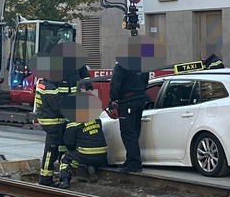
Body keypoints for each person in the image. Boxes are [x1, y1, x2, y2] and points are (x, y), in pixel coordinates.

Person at [32, 43, 89, 186]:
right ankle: (46, 179)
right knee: (52, 148)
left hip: (66, 111)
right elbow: (52, 98)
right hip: (57, 114)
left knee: (65, 146)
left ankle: (63, 176)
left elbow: (84, 74)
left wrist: (88, 87)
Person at [109, 37, 162, 173]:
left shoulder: (121, 64)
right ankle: (130, 159)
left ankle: (134, 163)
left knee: (128, 133)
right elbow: (146, 82)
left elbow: (115, 84)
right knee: (135, 131)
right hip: (140, 100)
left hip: (127, 102)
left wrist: (113, 99)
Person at [56, 96, 109, 188]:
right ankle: (90, 167)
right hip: (102, 155)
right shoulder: (96, 117)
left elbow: (69, 144)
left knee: (65, 158)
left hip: (85, 154)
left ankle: (65, 180)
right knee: (85, 151)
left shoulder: (73, 122)